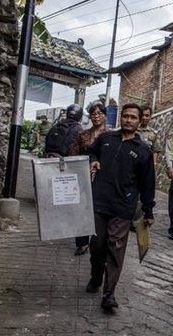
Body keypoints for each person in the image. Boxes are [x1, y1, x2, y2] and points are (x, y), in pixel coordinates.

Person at [86, 103, 156, 312]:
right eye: (125, 116)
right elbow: (91, 151)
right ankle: (96, 277)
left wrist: (149, 211)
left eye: (133, 117)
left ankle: (109, 294)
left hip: (123, 207)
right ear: (120, 118)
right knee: (97, 244)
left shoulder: (143, 150)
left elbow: (147, 184)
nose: (128, 120)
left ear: (139, 121)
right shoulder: (106, 138)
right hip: (99, 202)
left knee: (115, 248)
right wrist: (94, 160)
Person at [69, 103, 107, 256]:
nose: (96, 116)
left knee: (98, 211)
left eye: (99, 113)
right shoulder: (83, 135)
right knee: (82, 209)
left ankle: (97, 241)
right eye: (93, 114)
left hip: (103, 178)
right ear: (90, 116)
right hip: (83, 177)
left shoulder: (110, 135)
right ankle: (82, 242)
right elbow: (74, 154)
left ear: (105, 115)